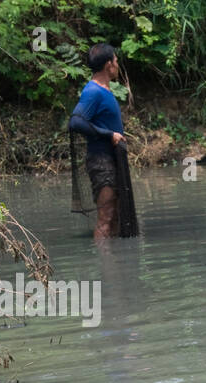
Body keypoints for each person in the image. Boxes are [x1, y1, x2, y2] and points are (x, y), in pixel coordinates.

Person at [69, 44, 126, 240]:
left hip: (112, 160)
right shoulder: (93, 91)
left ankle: (118, 266)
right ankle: (105, 266)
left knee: (117, 216)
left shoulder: (104, 91)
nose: (118, 65)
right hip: (101, 161)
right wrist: (109, 135)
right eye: (116, 61)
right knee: (106, 216)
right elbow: (76, 122)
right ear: (108, 64)